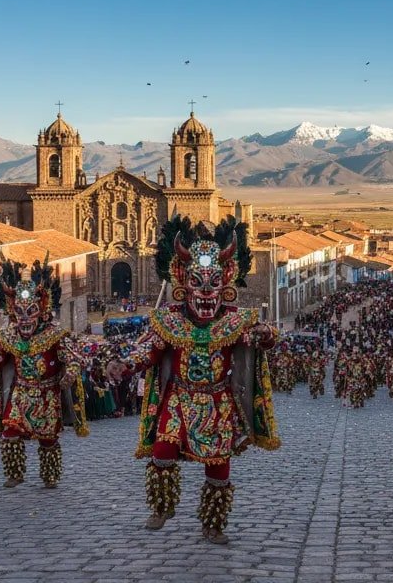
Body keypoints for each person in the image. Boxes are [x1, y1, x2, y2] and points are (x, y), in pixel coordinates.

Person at [109, 215, 279, 544]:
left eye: (212, 283)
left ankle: (213, 524)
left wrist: (264, 333)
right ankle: (162, 507)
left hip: (218, 404)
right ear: (183, 283)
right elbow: (149, 352)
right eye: (196, 283)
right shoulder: (169, 321)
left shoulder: (236, 321)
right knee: (162, 453)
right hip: (177, 401)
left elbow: (265, 339)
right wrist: (124, 364)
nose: (204, 291)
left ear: (225, 282)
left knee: (218, 468)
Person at [0, 259, 89, 489]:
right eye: (19, 312)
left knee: (48, 439)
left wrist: (70, 374)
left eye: (31, 311)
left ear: (42, 310)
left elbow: (73, 359)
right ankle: (14, 473)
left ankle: (50, 475)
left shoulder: (54, 335)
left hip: (47, 394)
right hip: (21, 393)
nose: (25, 319)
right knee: (10, 433)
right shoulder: (9, 336)